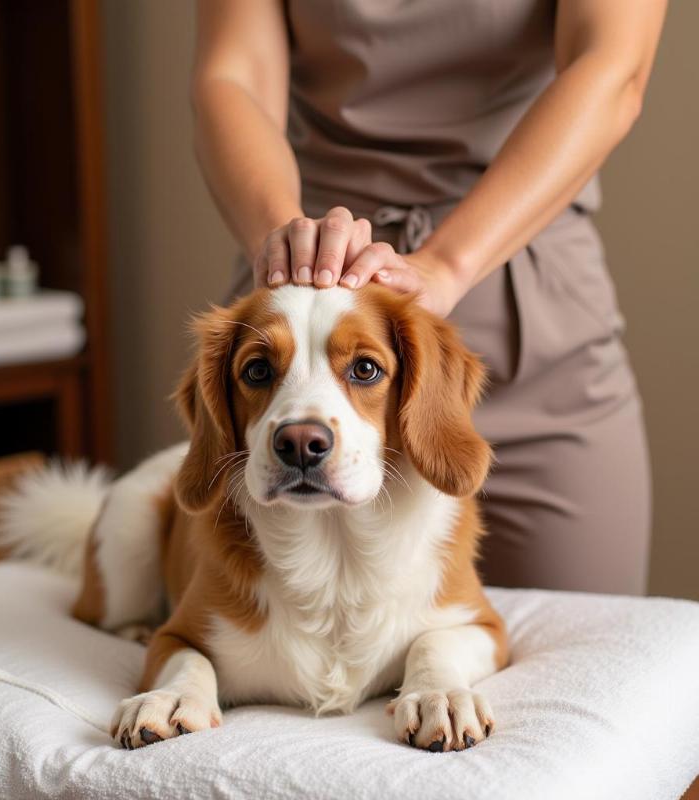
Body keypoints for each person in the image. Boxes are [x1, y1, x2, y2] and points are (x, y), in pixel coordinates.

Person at [190, 0, 668, 595]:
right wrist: (286, 242)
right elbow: (232, 75)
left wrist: (445, 266)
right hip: (306, 309)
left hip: (534, 327)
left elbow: (611, 68)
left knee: (594, 648)